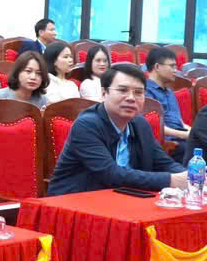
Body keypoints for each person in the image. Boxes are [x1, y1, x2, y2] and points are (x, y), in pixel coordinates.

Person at [47, 64, 188, 195]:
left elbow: (164, 163)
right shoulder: (86, 125)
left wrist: (188, 177)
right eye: (122, 90)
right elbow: (111, 174)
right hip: (75, 200)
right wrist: (170, 180)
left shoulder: (141, 124)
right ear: (104, 93)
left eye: (138, 92)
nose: (131, 98)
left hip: (122, 198)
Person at [144, 47, 191, 157]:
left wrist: (195, 132)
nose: (176, 70)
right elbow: (153, 127)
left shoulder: (169, 92)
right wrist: (184, 135)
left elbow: (179, 122)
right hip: (165, 142)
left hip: (180, 137)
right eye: (172, 66)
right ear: (157, 67)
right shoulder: (145, 91)